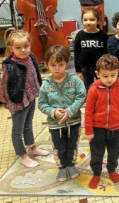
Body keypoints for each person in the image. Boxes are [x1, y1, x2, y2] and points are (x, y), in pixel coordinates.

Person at [0, 29, 48, 168]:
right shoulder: (10, 66)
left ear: (30, 45)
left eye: (26, 46)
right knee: (17, 130)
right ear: (11, 48)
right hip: (18, 101)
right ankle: (22, 155)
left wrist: (40, 88)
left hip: (30, 96)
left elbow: (35, 73)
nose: (23, 50)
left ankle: (32, 147)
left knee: (28, 124)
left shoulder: (31, 57)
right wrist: (7, 102)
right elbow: (4, 85)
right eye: (18, 48)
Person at [37, 45, 86, 181]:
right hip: (55, 124)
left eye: (61, 64)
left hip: (74, 121)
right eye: (53, 65)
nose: (57, 68)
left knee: (73, 145)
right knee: (59, 147)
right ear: (47, 65)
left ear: (67, 64)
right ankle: (62, 168)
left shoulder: (75, 80)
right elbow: (41, 104)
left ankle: (71, 165)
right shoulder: (46, 84)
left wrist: (70, 111)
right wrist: (53, 111)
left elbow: (81, 96)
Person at [84, 54, 119, 189]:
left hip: (116, 129)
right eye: (105, 76)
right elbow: (88, 111)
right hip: (97, 129)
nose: (110, 79)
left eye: (113, 75)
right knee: (97, 153)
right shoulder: (93, 89)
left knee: (114, 153)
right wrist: (88, 130)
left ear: (118, 73)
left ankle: (111, 170)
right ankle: (96, 173)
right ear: (97, 74)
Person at [74, 8, 108, 91]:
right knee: (89, 88)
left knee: (102, 86)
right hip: (85, 67)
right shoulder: (80, 35)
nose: (88, 22)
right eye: (85, 20)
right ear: (82, 20)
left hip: (100, 67)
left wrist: (107, 66)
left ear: (98, 20)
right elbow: (76, 53)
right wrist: (78, 71)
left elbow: (107, 52)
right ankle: (91, 101)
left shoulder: (103, 35)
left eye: (92, 20)